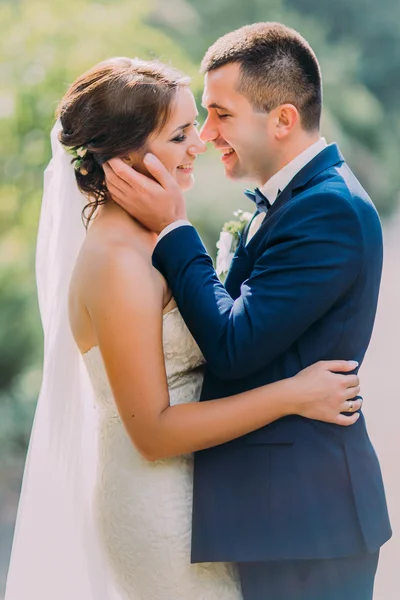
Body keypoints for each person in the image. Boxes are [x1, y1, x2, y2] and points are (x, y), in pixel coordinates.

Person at [4, 56, 361, 600]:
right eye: (180, 135)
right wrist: (292, 395)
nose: (199, 144)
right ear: (124, 156)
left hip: (203, 496)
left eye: (196, 127)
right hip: (160, 505)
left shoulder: (151, 239)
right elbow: (152, 433)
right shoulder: (119, 261)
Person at [104, 23, 392, 600]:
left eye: (221, 114)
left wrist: (174, 228)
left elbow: (234, 346)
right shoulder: (293, 201)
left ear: (282, 119)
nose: (207, 136)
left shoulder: (326, 209)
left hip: (305, 525)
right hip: (280, 520)